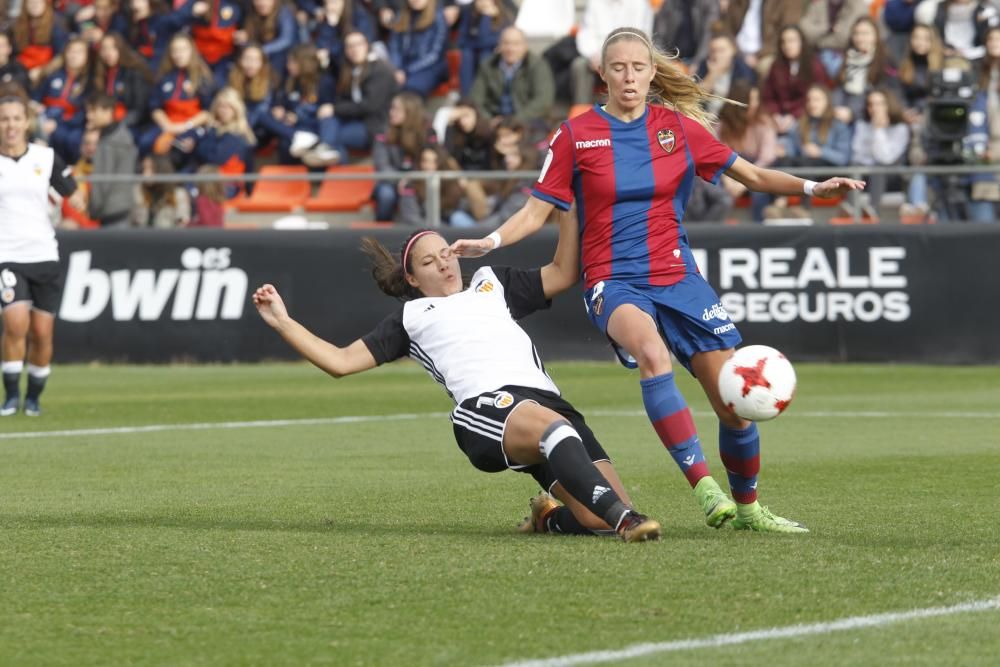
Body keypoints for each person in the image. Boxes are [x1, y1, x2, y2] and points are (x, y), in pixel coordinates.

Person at [451, 27, 866, 533]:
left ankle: (750, 510)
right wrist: (489, 243)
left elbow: (752, 176)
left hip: (678, 277)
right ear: (601, 74)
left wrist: (811, 186)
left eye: (638, 67)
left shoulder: (677, 129)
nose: (629, 77)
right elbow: (537, 211)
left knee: (732, 400)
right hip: (612, 279)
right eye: (618, 68)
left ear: (651, 73)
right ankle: (705, 490)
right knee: (651, 354)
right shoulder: (575, 134)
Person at [252, 220, 663, 543]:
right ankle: (627, 521)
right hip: (485, 409)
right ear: (412, 280)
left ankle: (551, 518)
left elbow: (563, 271)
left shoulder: (492, 283)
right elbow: (340, 362)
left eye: (446, 253)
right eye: (428, 263)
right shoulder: (411, 317)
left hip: (546, 402)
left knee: (596, 518)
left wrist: (566, 207)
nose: (444, 263)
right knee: (588, 475)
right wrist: (283, 322)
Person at [1, 94, 85, 417]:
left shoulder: (45, 158)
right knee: (15, 322)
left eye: (15, 118)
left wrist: (76, 200)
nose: (10, 125)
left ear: (26, 122)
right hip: (6, 253)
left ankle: (33, 397)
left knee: (42, 332)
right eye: (4, 118)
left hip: (43, 252)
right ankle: (10, 395)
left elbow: (73, 191)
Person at [84, 91, 139, 226]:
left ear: (108, 112)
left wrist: (93, 210)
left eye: (93, 111)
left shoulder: (111, 143)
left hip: (113, 213)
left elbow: (103, 181)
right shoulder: (120, 137)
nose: (89, 116)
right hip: (119, 210)